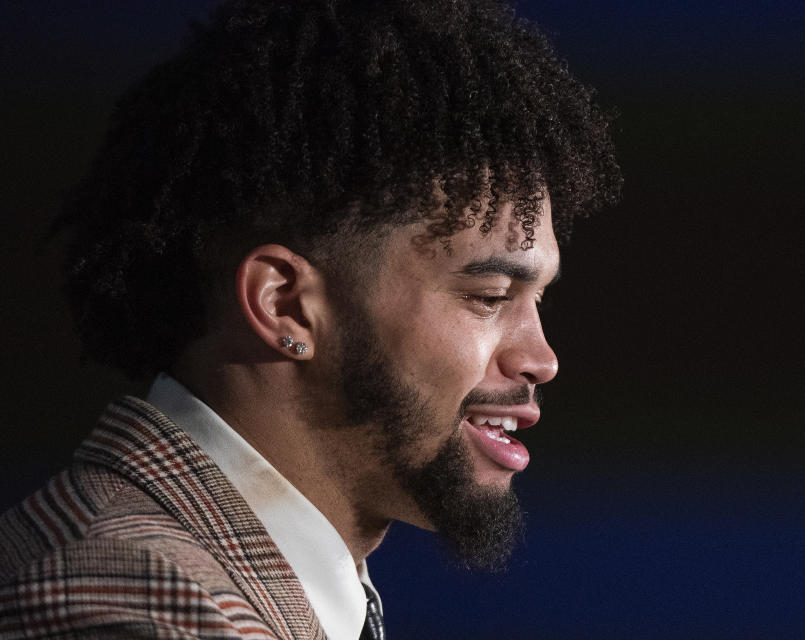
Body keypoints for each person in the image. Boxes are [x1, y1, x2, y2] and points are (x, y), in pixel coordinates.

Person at [0, 0, 620, 637]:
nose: (540, 359)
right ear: (285, 306)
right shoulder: (141, 611)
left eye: (536, 298)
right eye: (489, 297)